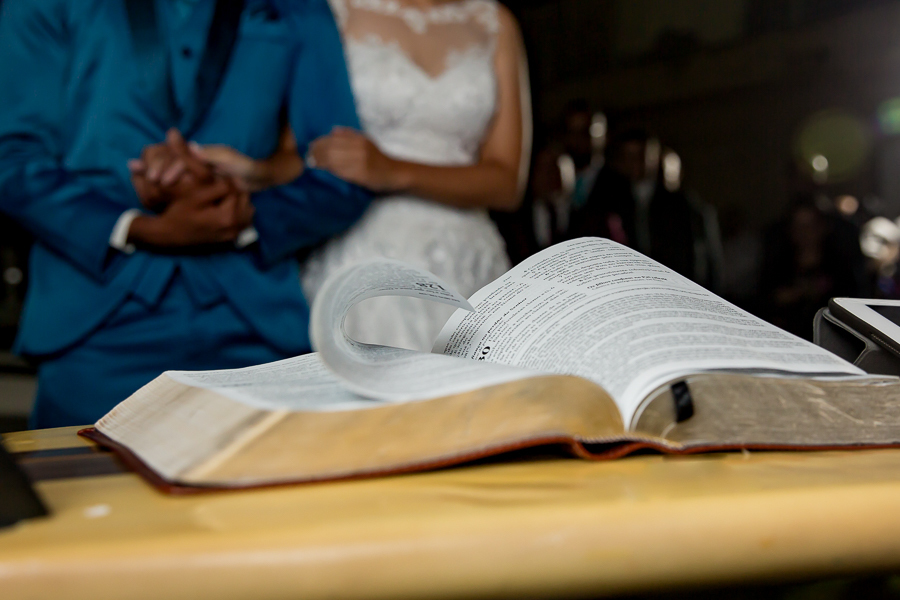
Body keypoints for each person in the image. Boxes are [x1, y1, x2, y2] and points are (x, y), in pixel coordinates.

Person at [0, 0, 369, 427]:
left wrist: (245, 215)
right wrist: (137, 226)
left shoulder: (296, 8)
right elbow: (11, 158)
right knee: (82, 488)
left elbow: (344, 174)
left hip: (254, 323)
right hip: (94, 321)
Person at [202, 0, 530, 352]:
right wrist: (259, 173)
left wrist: (394, 171)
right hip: (364, 258)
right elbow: (305, 152)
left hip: (468, 261)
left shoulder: (493, 22)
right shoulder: (331, 12)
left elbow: (507, 182)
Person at [569, 128, 722, 290]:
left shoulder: (681, 204)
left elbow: (700, 258)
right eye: (628, 156)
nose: (634, 162)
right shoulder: (611, 203)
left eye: (641, 155)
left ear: (655, 157)